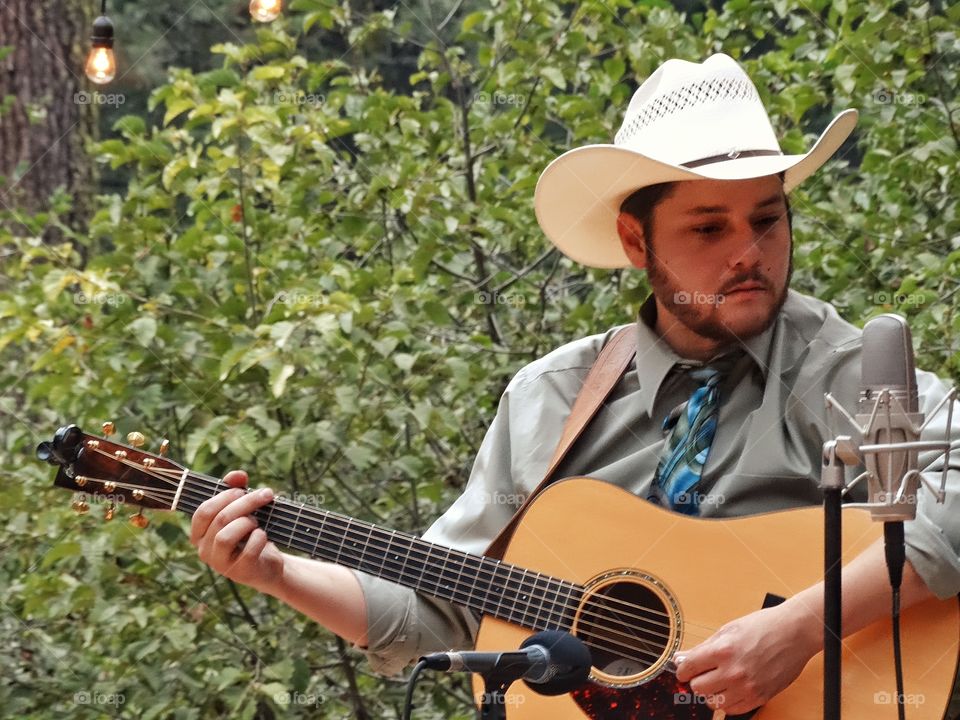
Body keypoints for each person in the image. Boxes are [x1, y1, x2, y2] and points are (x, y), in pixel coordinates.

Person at [189, 54, 960, 715]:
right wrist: (277, 571)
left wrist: (800, 628)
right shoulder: (551, 398)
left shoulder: (847, 369)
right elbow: (440, 612)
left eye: (767, 218)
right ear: (635, 240)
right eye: (708, 227)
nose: (749, 252)